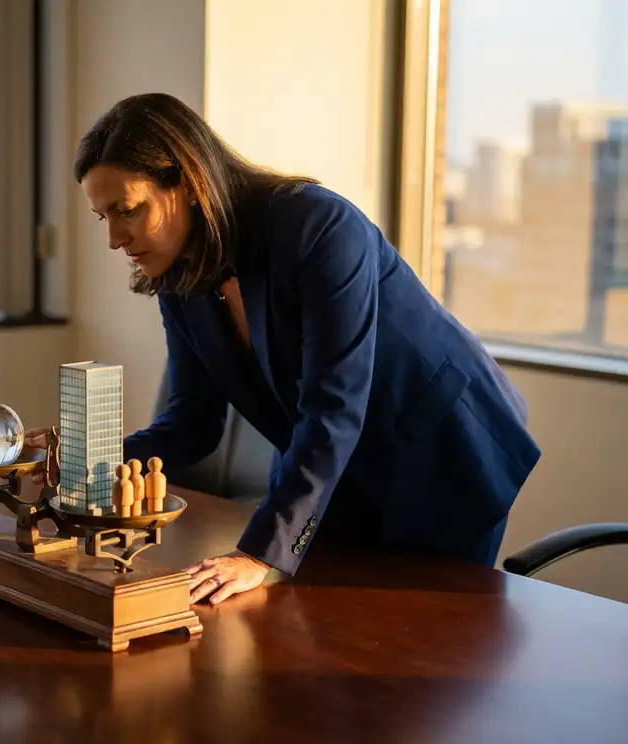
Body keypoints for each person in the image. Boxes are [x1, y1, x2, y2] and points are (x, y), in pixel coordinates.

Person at [30, 92, 541, 606]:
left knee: (418, 651)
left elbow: (333, 408)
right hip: (334, 476)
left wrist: (259, 554)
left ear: (186, 183)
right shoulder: (179, 277)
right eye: (104, 218)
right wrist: (73, 461)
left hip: (442, 460)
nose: (115, 238)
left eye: (127, 211)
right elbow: (192, 423)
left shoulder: (318, 228)